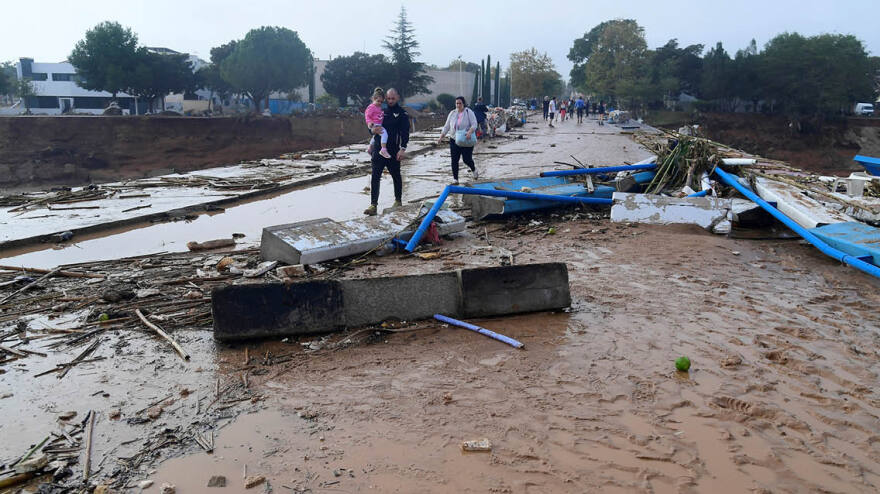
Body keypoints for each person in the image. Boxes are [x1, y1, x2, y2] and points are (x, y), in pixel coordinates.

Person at [364, 88, 409, 216]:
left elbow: (405, 133)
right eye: (388, 98)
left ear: (398, 98)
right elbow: (372, 125)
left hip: (393, 150)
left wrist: (402, 149)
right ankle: (373, 205)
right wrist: (372, 132)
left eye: (392, 98)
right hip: (378, 149)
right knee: (375, 176)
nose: (390, 101)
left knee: (396, 176)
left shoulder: (402, 114)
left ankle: (398, 200)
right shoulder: (381, 111)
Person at [437, 96, 479, 184]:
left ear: (463, 104)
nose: (458, 105)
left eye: (460, 103)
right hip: (454, 139)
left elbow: (474, 124)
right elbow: (447, 126)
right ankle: (455, 179)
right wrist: (441, 137)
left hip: (466, 139)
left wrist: (469, 132)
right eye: (457, 103)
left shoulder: (468, 112)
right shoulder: (452, 113)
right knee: (454, 160)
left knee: (466, 159)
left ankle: (474, 169)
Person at [364, 87, 391, 159]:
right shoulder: (371, 107)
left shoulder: (378, 107)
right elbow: (367, 116)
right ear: (373, 99)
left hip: (378, 124)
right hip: (374, 124)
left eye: (381, 102)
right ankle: (383, 149)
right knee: (384, 134)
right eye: (378, 101)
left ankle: (370, 149)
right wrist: (369, 123)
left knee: (375, 137)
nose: (379, 103)